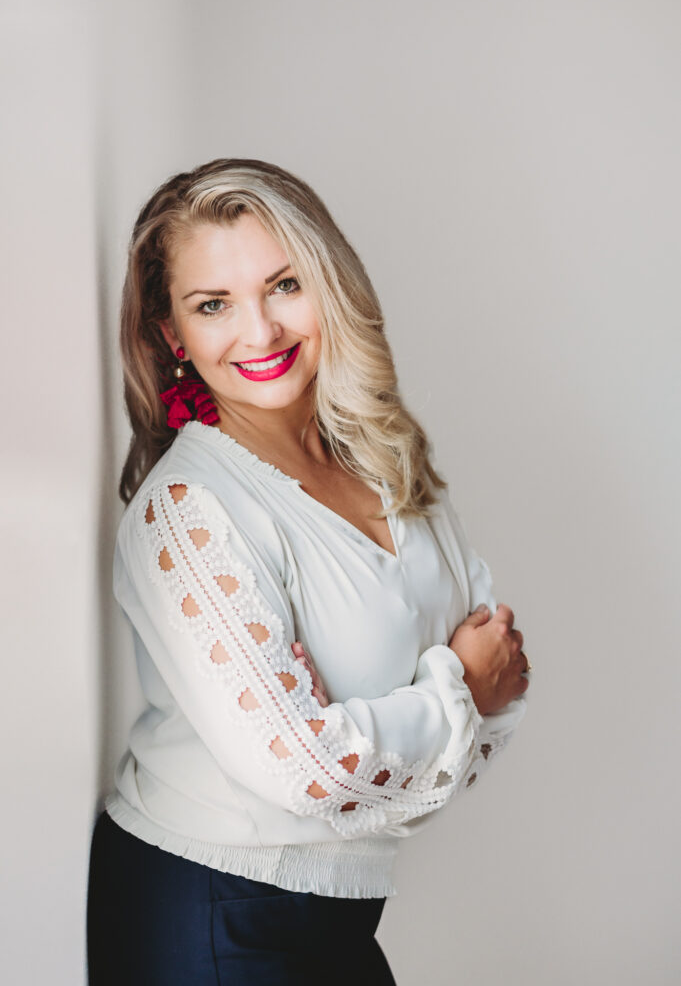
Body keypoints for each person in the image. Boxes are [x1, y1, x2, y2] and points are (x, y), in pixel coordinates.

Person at [87, 158, 530, 985]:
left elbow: (502, 677)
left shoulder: (383, 460)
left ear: (330, 287)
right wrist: (455, 692)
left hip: (335, 909)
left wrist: (400, 721)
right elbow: (311, 771)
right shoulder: (189, 512)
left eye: (283, 286)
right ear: (171, 335)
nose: (258, 333)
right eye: (212, 305)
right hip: (210, 911)